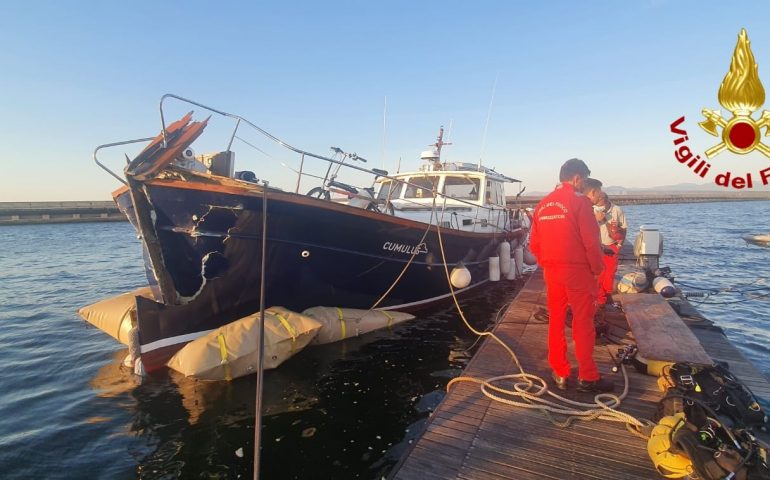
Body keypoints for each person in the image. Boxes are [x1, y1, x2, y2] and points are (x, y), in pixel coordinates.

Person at [528, 159, 613, 393]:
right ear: (576, 178)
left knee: (556, 320)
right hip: (577, 272)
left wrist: (547, 263)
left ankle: (560, 372)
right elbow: (591, 242)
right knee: (583, 322)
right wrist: (597, 269)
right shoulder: (580, 202)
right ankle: (588, 376)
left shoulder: (542, 205)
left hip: (552, 272)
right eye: (584, 179)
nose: (584, 184)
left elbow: (534, 244)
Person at [594, 192, 627, 305]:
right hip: (595, 246)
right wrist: (598, 219)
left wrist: (619, 245)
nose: (597, 205)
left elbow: (623, 228)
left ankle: (605, 296)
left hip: (611, 246)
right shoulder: (591, 210)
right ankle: (599, 298)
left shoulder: (617, 210)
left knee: (609, 273)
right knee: (598, 274)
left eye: (598, 202)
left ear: (604, 199)